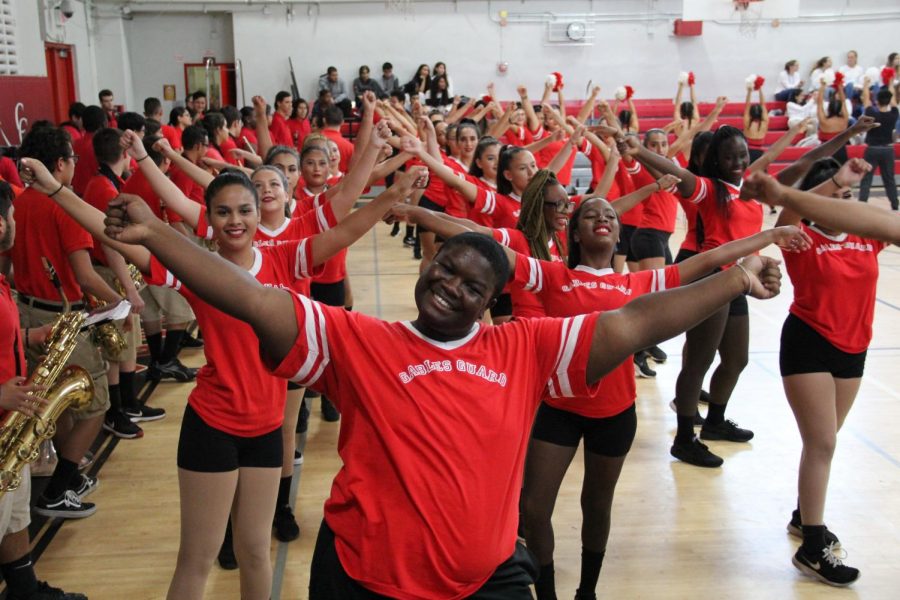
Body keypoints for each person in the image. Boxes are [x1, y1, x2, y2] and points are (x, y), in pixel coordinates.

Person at [99, 156, 782, 597]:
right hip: (365, 577)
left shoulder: (524, 348)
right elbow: (250, 298)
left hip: (487, 580)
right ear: (426, 267)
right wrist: (159, 235)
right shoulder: (360, 340)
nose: (452, 286)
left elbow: (633, 322)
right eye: (444, 269)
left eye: (472, 283)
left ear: (492, 301)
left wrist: (734, 278)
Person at [22, 124, 411, 599]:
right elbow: (116, 234)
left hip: (267, 430)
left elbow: (348, 225)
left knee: (254, 551)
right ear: (208, 218)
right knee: (198, 558)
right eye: (223, 211)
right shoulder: (197, 265)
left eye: (244, 210)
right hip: (215, 427)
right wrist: (57, 189)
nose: (235, 220)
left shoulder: (286, 258)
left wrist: (392, 193)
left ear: (260, 211)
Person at [513, 197, 808, 600]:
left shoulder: (637, 283)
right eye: (590, 215)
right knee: (533, 508)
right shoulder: (551, 276)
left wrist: (771, 235)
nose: (603, 218)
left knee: (597, 506)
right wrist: (416, 211)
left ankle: (587, 592)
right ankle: (545, 592)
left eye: (610, 216)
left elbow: (711, 259)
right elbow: (488, 246)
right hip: (558, 410)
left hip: (614, 414)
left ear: (619, 234)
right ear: (575, 233)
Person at [757, 157, 880, 587]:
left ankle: (802, 514)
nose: (842, 205)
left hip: (855, 347)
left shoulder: (867, 233)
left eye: (847, 198)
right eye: (834, 197)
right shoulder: (800, 236)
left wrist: (845, 192)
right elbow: (788, 212)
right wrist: (833, 182)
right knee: (822, 442)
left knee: (826, 442)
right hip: (809, 344)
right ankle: (812, 547)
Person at [10, 126, 119, 519]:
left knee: (55, 404)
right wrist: (122, 302)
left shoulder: (19, 203)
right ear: (59, 164)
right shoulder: (65, 204)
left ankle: (64, 472)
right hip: (61, 317)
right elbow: (87, 276)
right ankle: (58, 489)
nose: (74, 165)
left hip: (25, 312)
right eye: (72, 159)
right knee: (95, 405)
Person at [0, 181, 88, 600]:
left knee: (16, 517)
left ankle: (25, 590)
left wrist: (33, 335)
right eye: (13, 216)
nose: (17, 223)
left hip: (10, 426)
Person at [858, 82, 898, 209]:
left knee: (866, 178)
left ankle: (862, 205)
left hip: (872, 149)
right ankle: (895, 206)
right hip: (888, 149)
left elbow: (866, 100)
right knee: (889, 180)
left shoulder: (872, 113)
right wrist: (890, 81)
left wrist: (865, 85)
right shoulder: (894, 114)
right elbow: (893, 101)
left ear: (877, 100)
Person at [71, 105, 107, 196]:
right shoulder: (101, 146)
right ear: (104, 123)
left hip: (77, 195)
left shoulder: (75, 144)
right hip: (96, 193)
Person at [816, 80, 850, 163]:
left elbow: (819, 103)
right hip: (840, 150)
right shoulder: (844, 119)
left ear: (829, 108)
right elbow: (843, 101)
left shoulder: (824, 121)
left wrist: (822, 87)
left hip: (825, 150)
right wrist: (840, 88)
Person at [743, 85, 770, 163]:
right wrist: (760, 89)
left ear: (750, 113)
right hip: (759, 153)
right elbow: (763, 104)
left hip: (747, 152)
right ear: (761, 113)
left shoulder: (747, 122)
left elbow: (747, 105)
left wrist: (749, 91)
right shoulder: (764, 122)